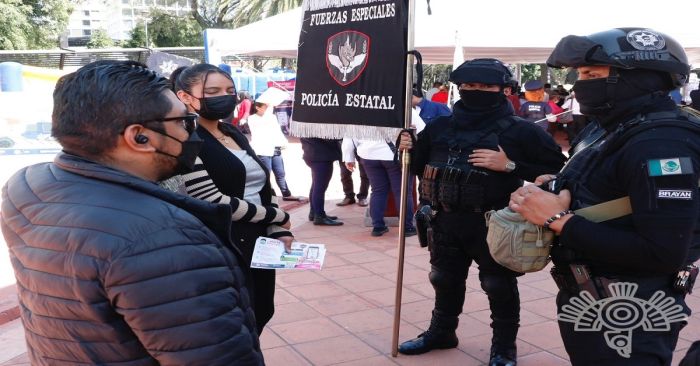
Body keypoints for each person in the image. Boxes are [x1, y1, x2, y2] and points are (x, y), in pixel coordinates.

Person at [0, 60, 263, 365]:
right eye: (183, 123)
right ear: (139, 137)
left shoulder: (26, 185)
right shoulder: (166, 239)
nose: (192, 135)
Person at [510, 27, 700, 365]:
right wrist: (558, 185)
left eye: (592, 74)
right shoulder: (616, 125)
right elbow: (616, 189)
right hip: (592, 296)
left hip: (632, 308)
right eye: (580, 73)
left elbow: (663, 252)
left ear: (640, 78)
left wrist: (556, 219)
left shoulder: (660, 145)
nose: (580, 83)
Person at [397, 58, 566, 365]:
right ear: (459, 88)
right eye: (469, 86)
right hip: (444, 219)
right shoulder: (440, 126)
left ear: (503, 89)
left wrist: (510, 166)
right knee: (443, 278)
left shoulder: (521, 131)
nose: (476, 91)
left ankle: (503, 348)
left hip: (494, 222)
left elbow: (560, 173)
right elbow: (419, 167)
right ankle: (442, 332)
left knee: (497, 284)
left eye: (486, 86)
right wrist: (408, 148)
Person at [171, 64, 294, 332]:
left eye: (229, 90)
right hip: (224, 245)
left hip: (259, 244)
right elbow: (212, 200)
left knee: (261, 311)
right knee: (234, 322)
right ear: (185, 97)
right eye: (213, 91)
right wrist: (279, 216)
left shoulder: (232, 132)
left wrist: (275, 230)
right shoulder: (185, 141)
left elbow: (264, 186)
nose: (224, 96)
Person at [248, 99, 305, 201]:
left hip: (275, 148)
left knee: (280, 173)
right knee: (266, 174)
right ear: (257, 108)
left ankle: (286, 194)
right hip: (262, 149)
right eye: (266, 107)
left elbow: (277, 132)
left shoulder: (272, 117)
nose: (268, 109)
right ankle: (265, 195)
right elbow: (261, 130)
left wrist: (283, 143)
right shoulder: (252, 119)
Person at [301, 137, 344, 225]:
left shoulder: (304, 122)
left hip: (312, 153)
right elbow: (329, 137)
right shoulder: (317, 123)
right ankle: (319, 216)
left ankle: (314, 212)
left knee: (316, 185)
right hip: (321, 155)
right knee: (319, 188)